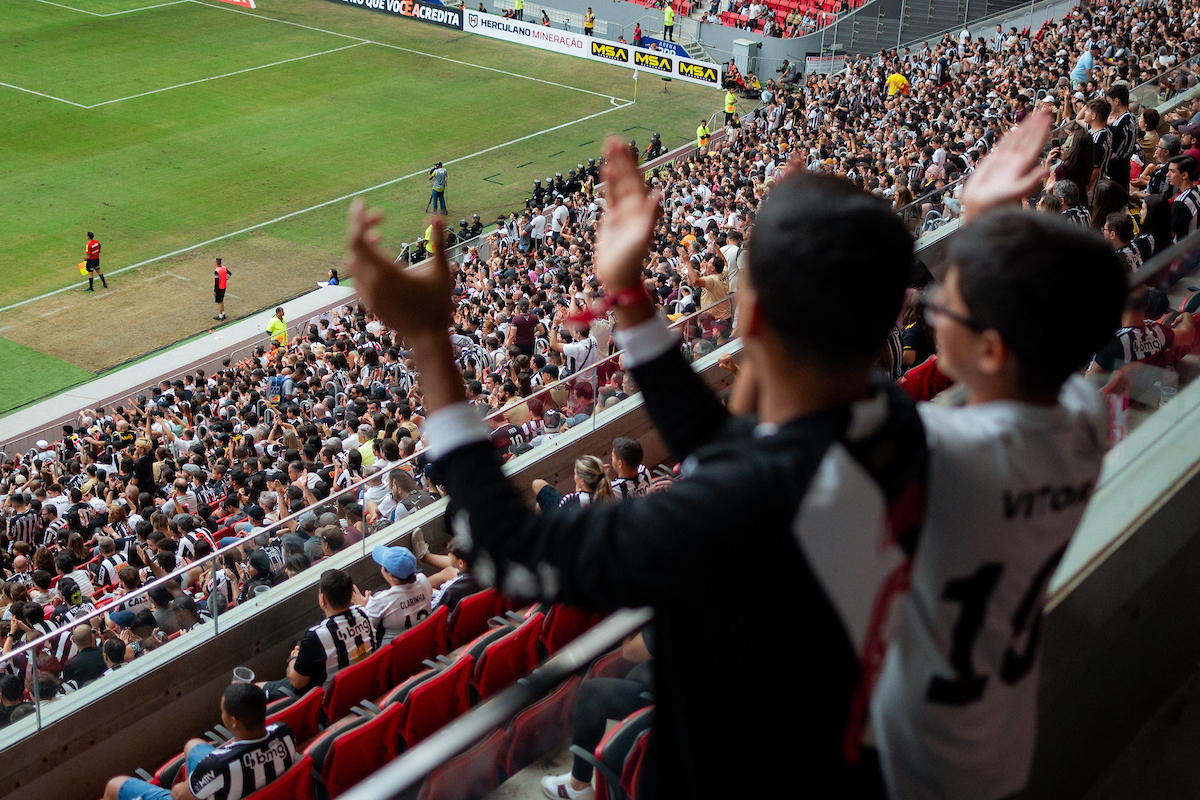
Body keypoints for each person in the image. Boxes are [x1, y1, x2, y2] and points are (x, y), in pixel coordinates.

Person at [345, 137, 926, 796]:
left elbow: (506, 548)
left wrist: (428, 340)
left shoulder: (736, 511)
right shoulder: (889, 418)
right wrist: (626, 291)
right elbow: (724, 444)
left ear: (752, 314)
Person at [871, 110, 1129, 800]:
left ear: (990, 349)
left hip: (917, 757)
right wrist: (988, 225)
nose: (931, 305)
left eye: (942, 305)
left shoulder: (943, 455)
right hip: (1001, 735)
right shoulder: (1081, 416)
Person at [104, 682, 297, 800]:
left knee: (115, 785)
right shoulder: (284, 733)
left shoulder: (217, 766)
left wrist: (191, 784)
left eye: (223, 711)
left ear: (233, 721)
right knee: (193, 745)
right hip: (259, 788)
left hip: (211, 784)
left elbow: (178, 795)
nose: (222, 714)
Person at [259, 569, 374, 700]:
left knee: (256, 688)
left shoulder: (317, 636)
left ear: (323, 599)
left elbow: (297, 682)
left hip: (329, 701)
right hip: (361, 686)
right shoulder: (365, 612)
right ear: (350, 596)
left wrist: (294, 658)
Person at [353, 545, 433, 646]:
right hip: (424, 643)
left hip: (396, 655)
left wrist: (363, 608)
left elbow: (365, 631)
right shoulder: (423, 580)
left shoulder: (381, 600)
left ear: (391, 576)